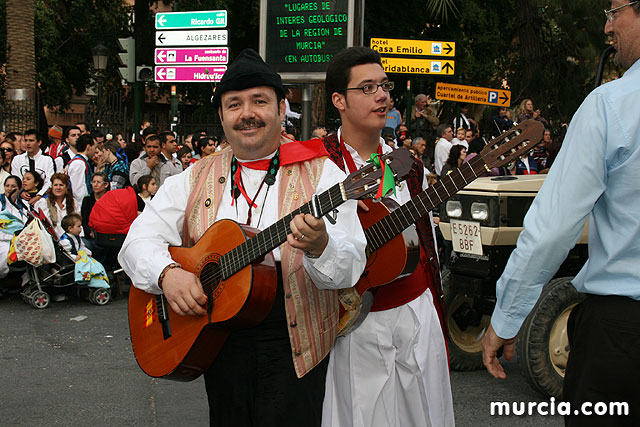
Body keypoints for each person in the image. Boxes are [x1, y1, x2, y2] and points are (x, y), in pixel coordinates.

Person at [118, 48, 367, 427]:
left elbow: (350, 267)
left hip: (293, 344)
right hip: (219, 340)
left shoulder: (324, 175)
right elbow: (136, 242)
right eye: (234, 104)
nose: (247, 113)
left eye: (259, 101)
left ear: (281, 109)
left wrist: (321, 247)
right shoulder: (194, 176)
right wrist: (168, 274)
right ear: (222, 116)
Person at [482, 3, 640, 426]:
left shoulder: (611, 104)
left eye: (614, 12)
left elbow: (553, 228)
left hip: (622, 336)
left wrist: (507, 317)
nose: (607, 27)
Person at [321, 45, 454, 427]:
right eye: (367, 88)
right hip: (355, 322)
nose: (382, 96)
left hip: (416, 314)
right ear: (339, 100)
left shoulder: (408, 164)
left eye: (384, 86)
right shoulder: (319, 166)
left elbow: (426, 243)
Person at [11, 129, 56, 205]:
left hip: (43, 199)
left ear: (39, 142)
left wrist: (39, 195)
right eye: (26, 140)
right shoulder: (17, 159)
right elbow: (15, 178)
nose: (28, 143)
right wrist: (21, 192)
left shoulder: (47, 160)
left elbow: (50, 180)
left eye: (31, 141)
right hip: (21, 199)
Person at [35, 173, 76, 238]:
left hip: (71, 238)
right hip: (50, 239)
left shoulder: (74, 203)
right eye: (55, 185)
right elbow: (44, 226)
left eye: (61, 185)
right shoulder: (43, 203)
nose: (58, 188)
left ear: (66, 187)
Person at [67, 134, 96, 208]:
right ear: (88, 147)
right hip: (80, 206)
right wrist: (83, 208)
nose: (95, 151)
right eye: (94, 147)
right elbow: (78, 190)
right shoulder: (78, 163)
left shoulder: (81, 162)